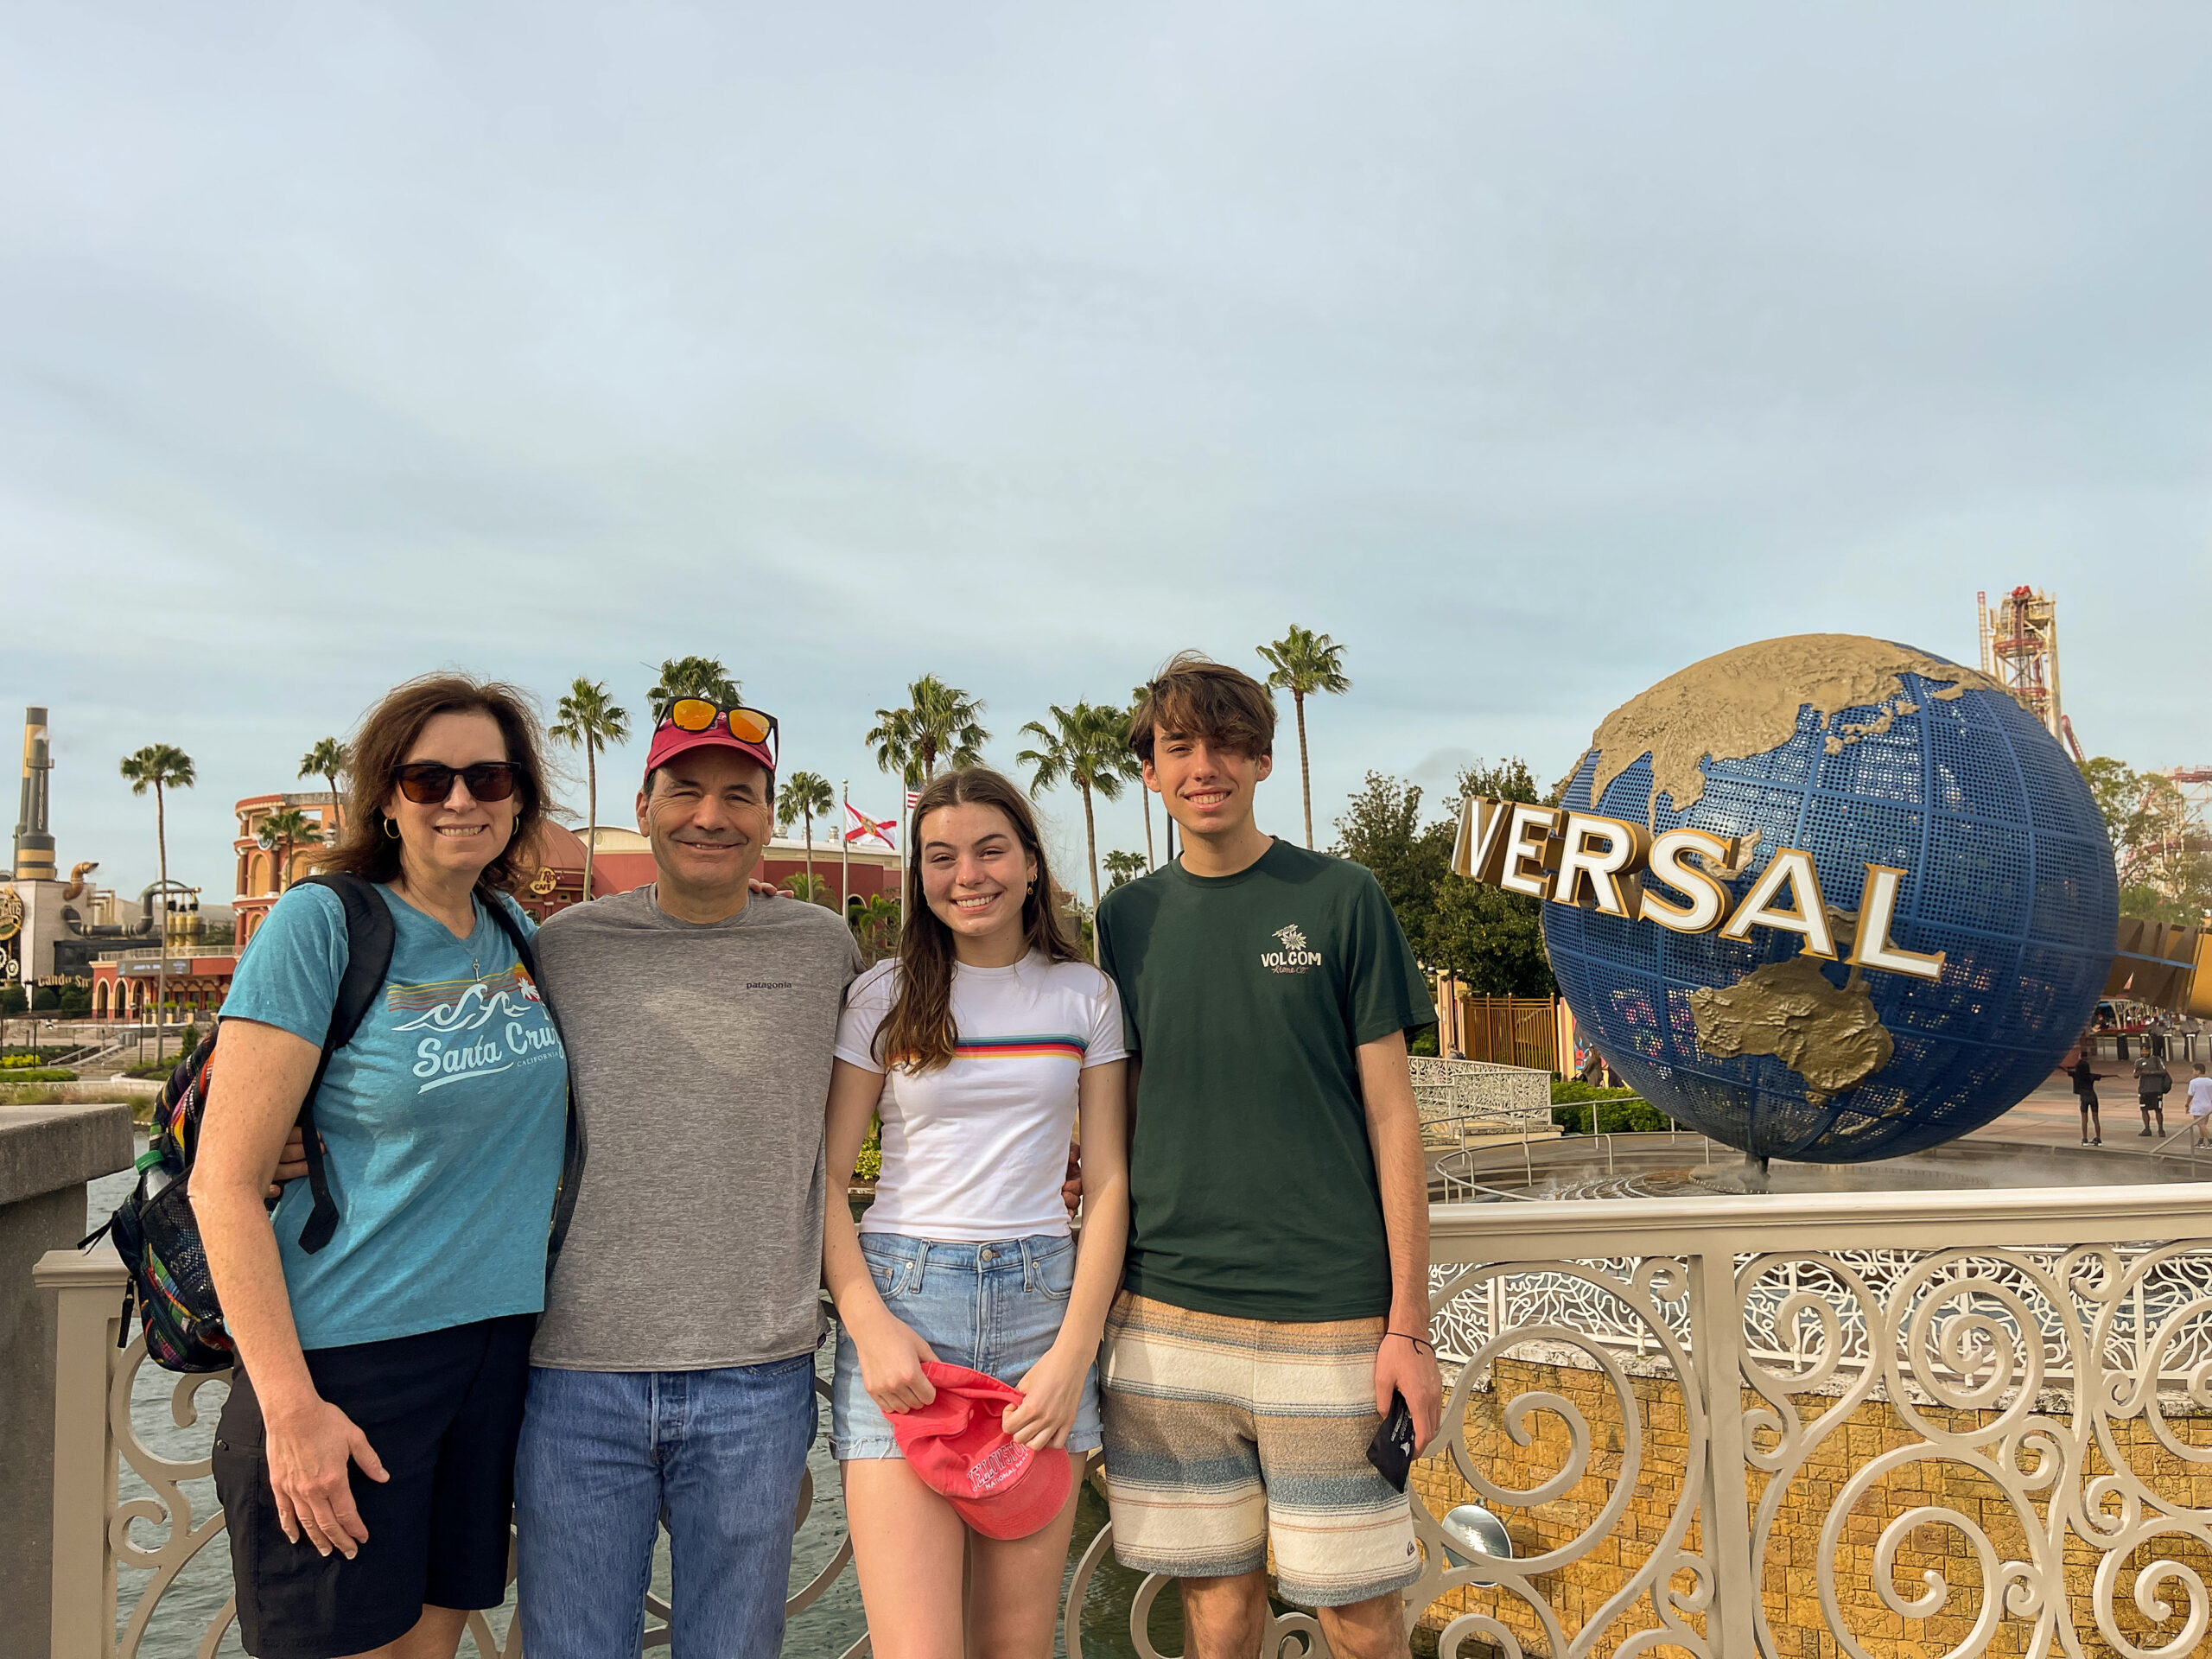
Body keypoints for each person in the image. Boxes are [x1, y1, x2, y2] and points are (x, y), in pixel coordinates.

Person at [196, 676, 569, 1659]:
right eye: (427, 777)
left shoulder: (517, 936)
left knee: (429, 1646)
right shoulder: (325, 925)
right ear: (385, 797)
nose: (460, 799)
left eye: (487, 776)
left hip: (493, 1355)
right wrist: (290, 1408)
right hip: (345, 1365)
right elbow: (221, 1182)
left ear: (519, 795)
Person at [1092, 653, 1442, 1659]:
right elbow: (1117, 1101)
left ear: (1261, 762)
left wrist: (1406, 1326)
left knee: (1361, 1614)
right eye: (1179, 747)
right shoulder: (1126, 921)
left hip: (1328, 1314)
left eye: (1227, 745)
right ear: (1151, 773)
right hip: (1165, 1314)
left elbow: (1393, 1119)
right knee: (1215, 1607)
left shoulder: (1342, 898)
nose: (1204, 766)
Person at [514, 696, 862, 1659]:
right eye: (686, 791)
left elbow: (905, 1092)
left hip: (758, 1371)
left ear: (769, 816)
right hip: (578, 1370)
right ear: (644, 804)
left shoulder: (824, 947)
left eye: (738, 796)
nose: (710, 815)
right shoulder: (564, 949)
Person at [822, 766, 1130, 1659]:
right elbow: (827, 1176)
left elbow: (1108, 1183)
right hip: (906, 1313)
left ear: (1031, 864)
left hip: (1043, 1311)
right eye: (942, 856)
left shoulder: (1084, 996)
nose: (969, 875)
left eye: (992, 850)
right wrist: (867, 1320)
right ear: (920, 876)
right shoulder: (882, 995)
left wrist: (1075, 1354)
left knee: (1014, 1647)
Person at [2068, 1052, 2107, 1147]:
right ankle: (2098, 1138)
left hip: (2084, 1097)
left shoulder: (2076, 1075)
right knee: (2096, 1118)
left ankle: (2085, 1139)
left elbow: (2066, 1070)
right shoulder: (2091, 1076)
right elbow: (2102, 1076)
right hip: (2093, 1096)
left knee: (2084, 1119)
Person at [2135, 1046, 2172, 1138]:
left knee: (2158, 1110)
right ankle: (2147, 1129)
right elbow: (2135, 1075)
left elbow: (2164, 1071)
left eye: (2146, 1050)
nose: (2144, 1052)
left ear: (2150, 1050)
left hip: (2156, 1089)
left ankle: (2160, 1129)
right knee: (2144, 1110)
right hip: (2144, 1089)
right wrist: (2138, 1073)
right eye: (2142, 1050)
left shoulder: (2157, 1060)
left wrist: (2150, 1072)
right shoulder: (2138, 1061)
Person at [2190, 1062, 2212, 1147]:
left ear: (2198, 1071)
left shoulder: (2193, 1082)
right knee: (2203, 1124)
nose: (2193, 1073)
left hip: (2198, 1106)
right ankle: (2201, 1141)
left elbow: (2190, 1095)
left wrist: (2187, 1104)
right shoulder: (2210, 1081)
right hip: (2207, 1106)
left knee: (2200, 1124)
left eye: (2194, 1070)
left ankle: (2210, 1140)